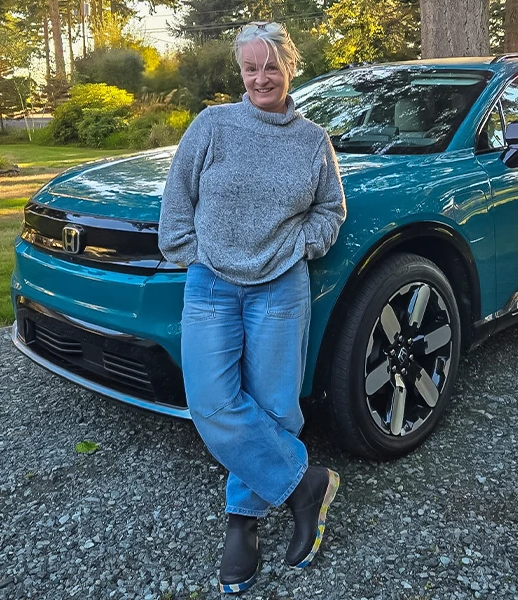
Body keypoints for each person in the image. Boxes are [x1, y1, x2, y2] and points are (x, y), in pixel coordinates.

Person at [157, 20, 347, 595]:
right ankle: (304, 484)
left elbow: (330, 210)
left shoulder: (312, 139)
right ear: (239, 72)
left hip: (280, 287)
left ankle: (242, 523)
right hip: (211, 283)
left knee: (275, 405)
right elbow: (178, 195)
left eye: (271, 66)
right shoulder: (213, 124)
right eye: (250, 67)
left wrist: (300, 246)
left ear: (290, 68)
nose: (261, 77)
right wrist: (191, 252)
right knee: (211, 402)